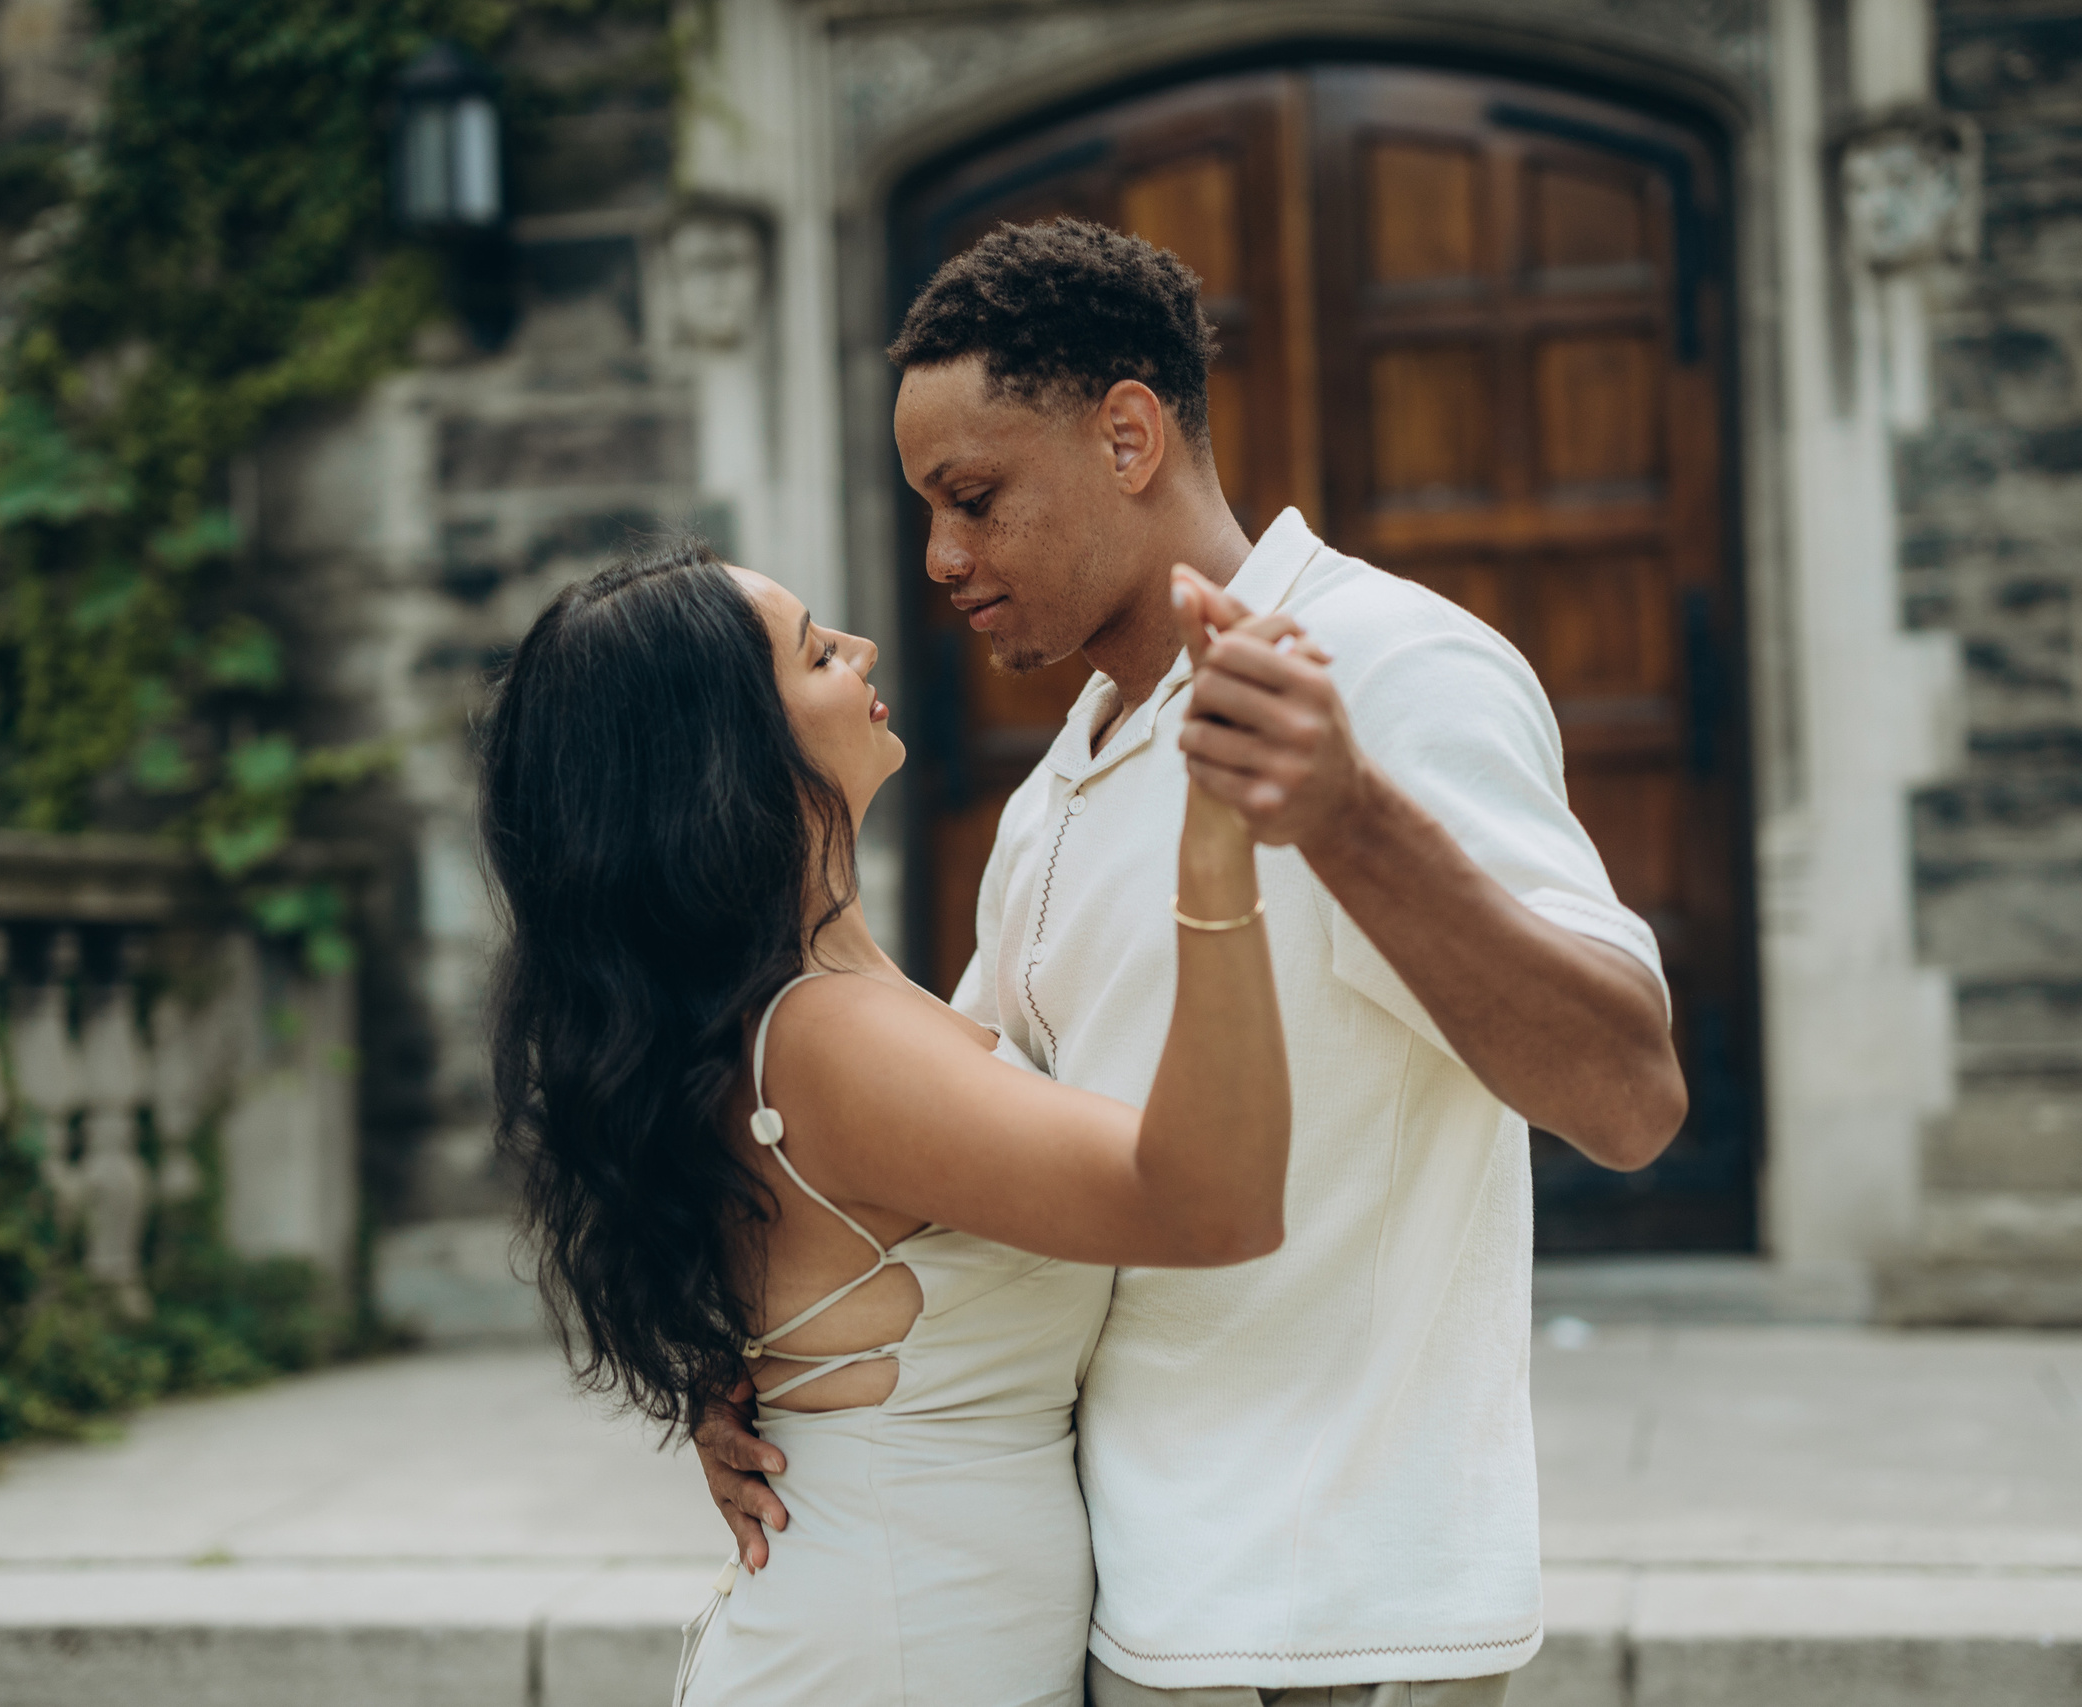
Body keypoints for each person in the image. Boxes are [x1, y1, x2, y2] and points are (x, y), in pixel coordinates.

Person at [695, 219, 1688, 1705]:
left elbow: (1628, 1094)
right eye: (927, 508)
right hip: (1128, 1599)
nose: (940, 559)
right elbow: (937, 1175)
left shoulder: (1389, 668)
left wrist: (1351, 819)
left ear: (1129, 434)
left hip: (1326, 1622)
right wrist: (759, 1364)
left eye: (974, 497)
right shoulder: (1055, 788)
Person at [478, 538, 1300, 1707]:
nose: (863, 648)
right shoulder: (825, 1040)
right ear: (732, 755)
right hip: (887, 1655)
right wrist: (1218, 853)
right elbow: (1209, 1203)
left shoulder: (787, 1018)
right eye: (816, 653)